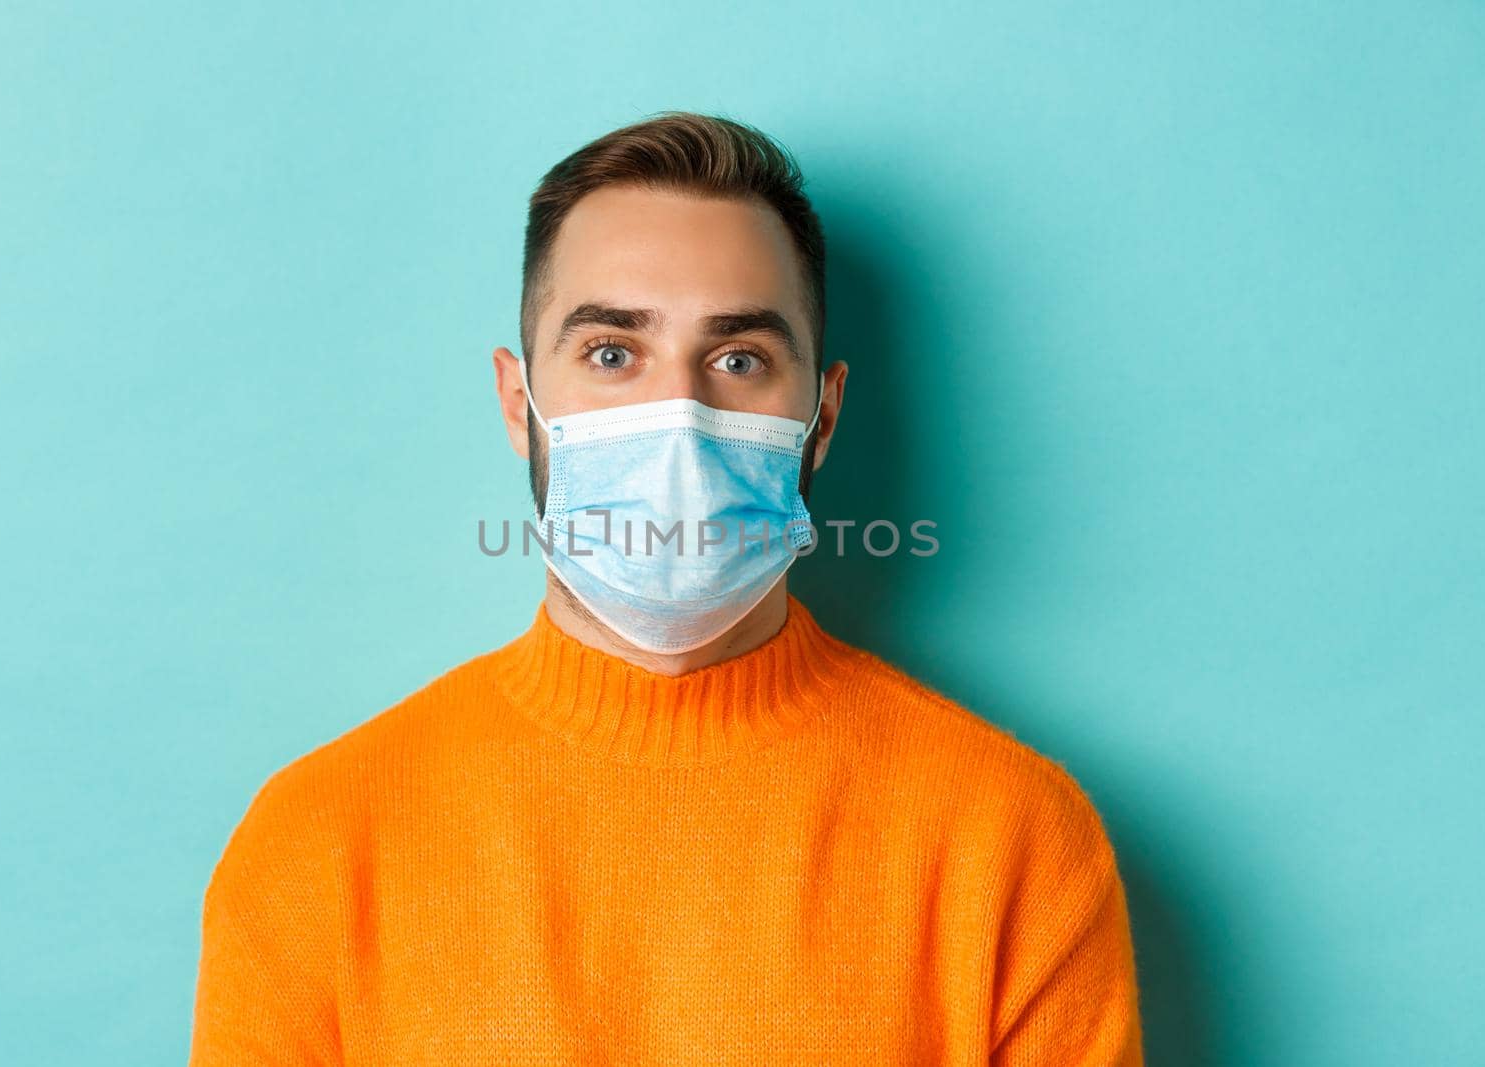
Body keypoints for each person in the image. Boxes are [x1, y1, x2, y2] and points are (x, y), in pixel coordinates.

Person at [189, 111, 1144, 1065]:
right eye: (612, 353)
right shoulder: (314, 847)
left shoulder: (1011, 842)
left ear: (822, 418)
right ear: (521, 405)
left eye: (739, 360)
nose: (679, 419)